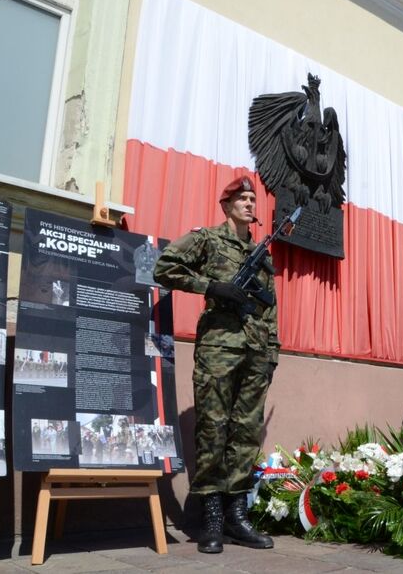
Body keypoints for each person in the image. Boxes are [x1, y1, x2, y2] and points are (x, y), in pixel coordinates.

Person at [154, 175, 279, 554]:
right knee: (213, 429)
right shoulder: (206, 239)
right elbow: (164, 267)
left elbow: (269, 307)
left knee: (245, 432)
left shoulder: (262, 252)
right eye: (241, 198)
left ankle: (236, 515)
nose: (248, 203)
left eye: (252, 199)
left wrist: (271, 351)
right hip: (218, 349)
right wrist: (211, 287)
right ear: (226, 206)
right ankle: (210, 518)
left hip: (255, 351)